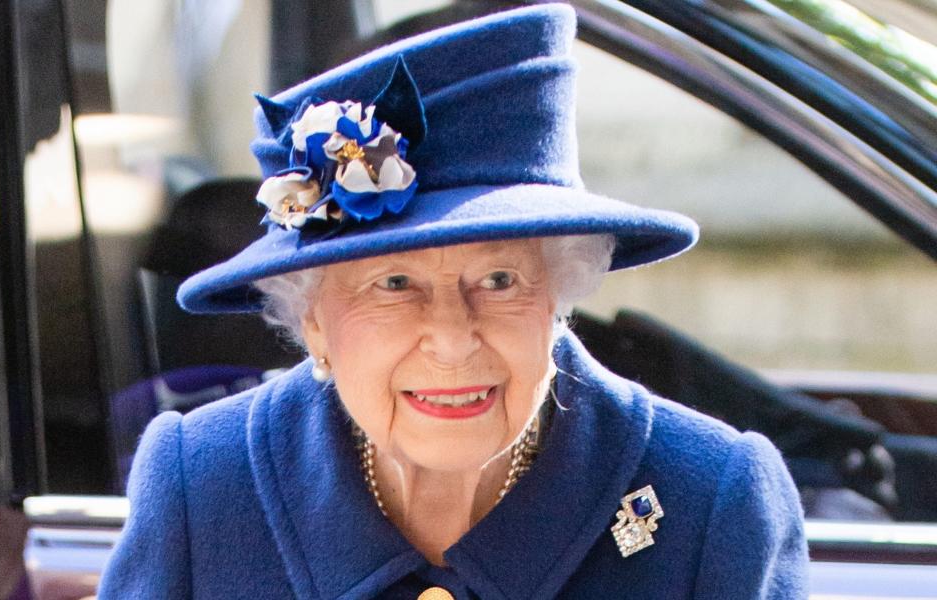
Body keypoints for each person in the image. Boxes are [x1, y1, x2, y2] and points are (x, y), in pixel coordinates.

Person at [97, 4, 808, 599]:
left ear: (559, 293)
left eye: (498, 280)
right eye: (393, 284)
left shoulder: (710, 499)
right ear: (312, 319)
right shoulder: (206, 485)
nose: (452, 338)